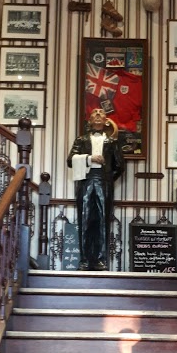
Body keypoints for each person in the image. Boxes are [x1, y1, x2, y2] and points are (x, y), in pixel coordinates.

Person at [67, 108, 125, 271]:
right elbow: (70, 160)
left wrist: (107, 180)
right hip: (85, 180)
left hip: (103, 181)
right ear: (90, 120)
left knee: (102, 220)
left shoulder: (112, 142)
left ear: (106, 121)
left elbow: (120, 166)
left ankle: (101, 260)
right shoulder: (81, 140)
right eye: (94, 113)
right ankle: (84, 260)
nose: (98, 115)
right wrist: (89, 158)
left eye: (101, 113)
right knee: (84, 219)